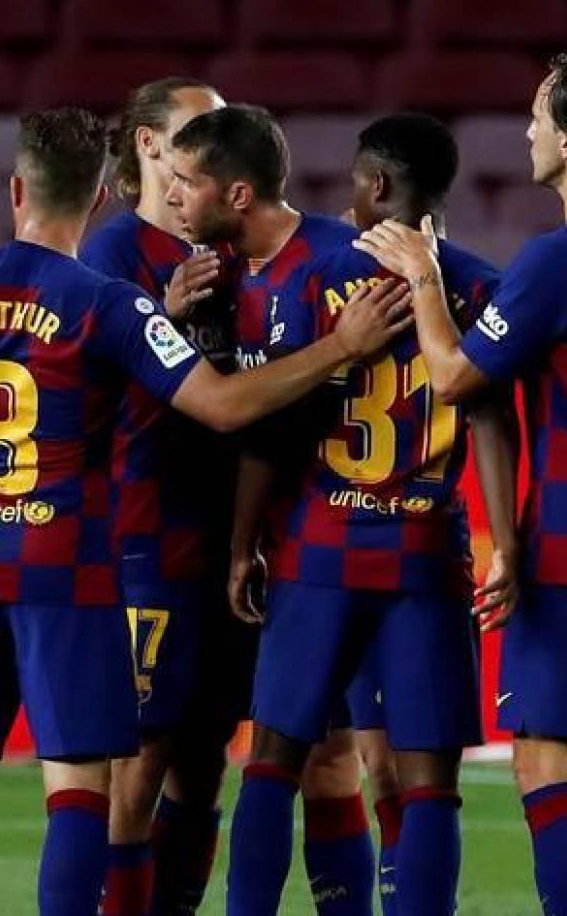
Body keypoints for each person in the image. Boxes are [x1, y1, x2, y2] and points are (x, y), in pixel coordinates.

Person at [0, 92, 411, 916]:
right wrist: (340, 346)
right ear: (98, 197)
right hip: (70, 572)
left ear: (15, 190)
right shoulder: (107, 303)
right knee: (82, 791)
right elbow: (223, 405)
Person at [355, 54, 567, 916]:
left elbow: (456, 379)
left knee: (548, 764)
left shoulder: (566, 254)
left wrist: (424, 277)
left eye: (540, 118)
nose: (529, 131)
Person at [223, 112, 524, 916]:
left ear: (380, 184)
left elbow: (271, 429)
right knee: (429, 783)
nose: (349, 200)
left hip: (320, 551)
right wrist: (507, 544)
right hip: (426, 554)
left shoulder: (312, 279)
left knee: (272, 762)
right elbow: (494, 419)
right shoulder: (482, 286)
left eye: (358, 183)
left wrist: (243, 545)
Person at [161, 105, 381, 916]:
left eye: (187, 183)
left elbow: (283, 428)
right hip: (244, 555)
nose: (174, 198)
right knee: (214, 755)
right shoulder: (218, 277)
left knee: (324, 757)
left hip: (325, 551)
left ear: (238, 193)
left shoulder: (333, 264)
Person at [76, 77, 249, 916]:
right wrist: (164, 317)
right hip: (142, 535)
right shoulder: (110, 256)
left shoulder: (230, 245)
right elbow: (81, 391)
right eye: (199, 127)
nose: (218, 137)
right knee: (138, 757)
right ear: (149, 144)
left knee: (205, 755)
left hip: (227, 538)